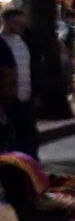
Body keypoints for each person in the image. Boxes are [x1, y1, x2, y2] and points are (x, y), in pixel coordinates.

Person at [0, 8, 39, 159]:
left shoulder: (25, 41)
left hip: (26, 96)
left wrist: (35, 92)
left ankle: (30, 164)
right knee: (10, 137)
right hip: (8, 98)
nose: (20, 27)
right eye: (16, 23)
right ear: (6, 21)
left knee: (28, 135)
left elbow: (33, 68)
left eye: (22, 24)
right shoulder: (2, 43)